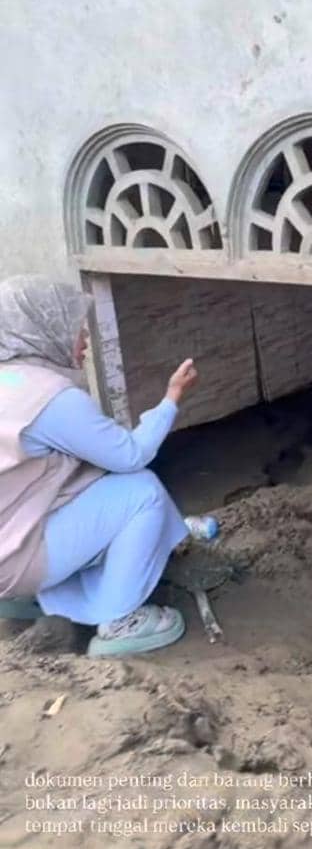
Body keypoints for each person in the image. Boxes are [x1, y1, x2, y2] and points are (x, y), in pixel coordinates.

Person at [0, 275, 196, 657]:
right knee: (142, 492)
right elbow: (129, 455)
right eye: (74, 325)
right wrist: (171, 399)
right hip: (16, 558)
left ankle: (40, 598)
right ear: (45, 328)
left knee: (90, 489)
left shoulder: (6, 379)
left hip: (8, 543)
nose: (86, 338)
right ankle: (121, 619)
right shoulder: (49, 397)